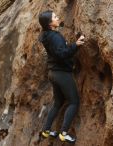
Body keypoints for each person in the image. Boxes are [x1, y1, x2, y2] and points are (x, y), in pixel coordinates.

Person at [38, 10, 84, 143]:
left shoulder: (46, 35)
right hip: (62, 74)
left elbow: (58, 53)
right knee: (74, 102)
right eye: (55, 17)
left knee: (58, 102)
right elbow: (62, 54)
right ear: (50, 24)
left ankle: (46, 130)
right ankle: (64, 133)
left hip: (53, 73)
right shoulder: (55, 37)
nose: (58, 18)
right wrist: (76, 45)